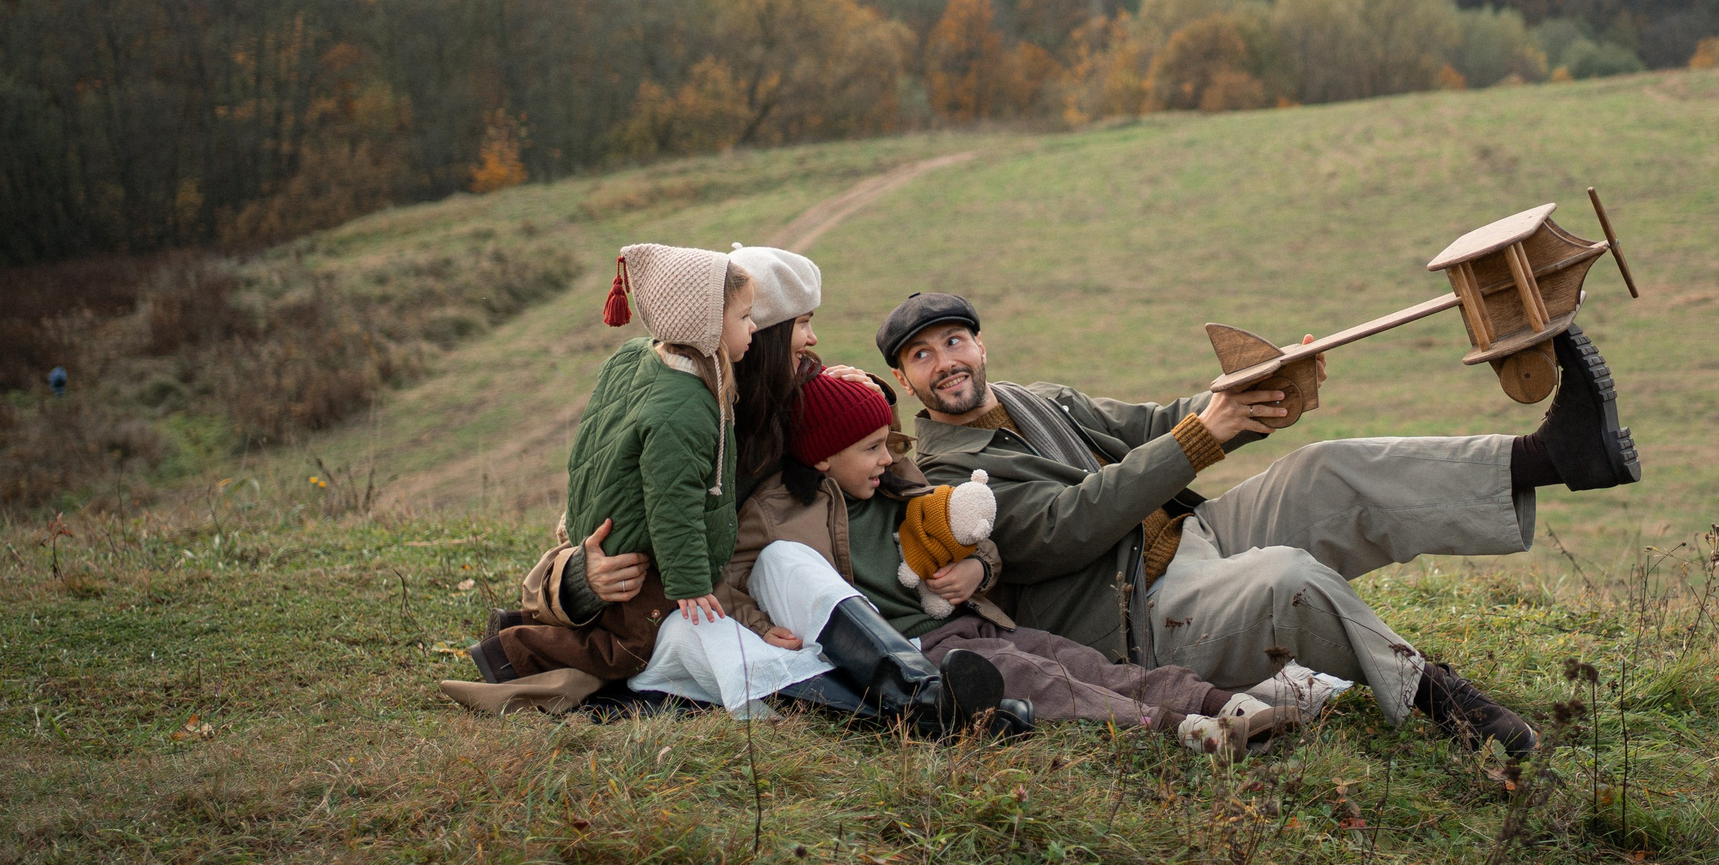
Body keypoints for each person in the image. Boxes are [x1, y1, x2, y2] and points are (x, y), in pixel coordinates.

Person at [880, 290, 1642, 758]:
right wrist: (1202, 436)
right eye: (922, 355)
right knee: (1287, 578)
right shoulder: (945, 475)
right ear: (904, 380)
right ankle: (1439, 696)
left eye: (953, 340)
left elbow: (1157, 422)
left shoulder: (1036, 397)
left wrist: (1254, 397)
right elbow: (1067, 525)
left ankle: (1554, 454)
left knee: (1325, 469)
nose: (945, 361)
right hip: (1140, 616)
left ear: (980, 343)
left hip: (1191, 539)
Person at [709, 371, 1315, 752]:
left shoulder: (897, 485)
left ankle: (1216, 702)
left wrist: (979, 570)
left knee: (1075, 660)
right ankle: (1179, 731)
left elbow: (973, 540)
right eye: (869, 450)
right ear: (820, 458)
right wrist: (763, 628)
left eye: (888, 446)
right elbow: (730, 578)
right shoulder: (777, 512)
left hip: (975, 621)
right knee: (1044, 682)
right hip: (918, 652)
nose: (885, 458)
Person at [441, 242, 759, 712]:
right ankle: (512, 652)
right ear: (706, 324)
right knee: (629, 648)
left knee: (613, 631)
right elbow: (674, 505)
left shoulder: (636, 358)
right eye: (744, 317)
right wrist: (690, 584)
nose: (753, 328)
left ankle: (514, 625)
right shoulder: (686, 408)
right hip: (641, 556)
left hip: (610, 532)